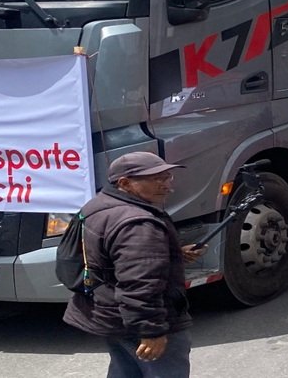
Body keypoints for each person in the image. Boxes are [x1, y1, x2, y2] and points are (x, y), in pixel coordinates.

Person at [63, 151, 206, 377]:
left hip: (110, 315)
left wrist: (169, 254)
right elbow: (139, 284)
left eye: (167, 177)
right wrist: (151, 331)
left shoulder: (98, 205)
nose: (167, 185)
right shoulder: (138, 224)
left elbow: (111, 257)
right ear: (125, 183)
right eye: (156, 179)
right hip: (139, 323)